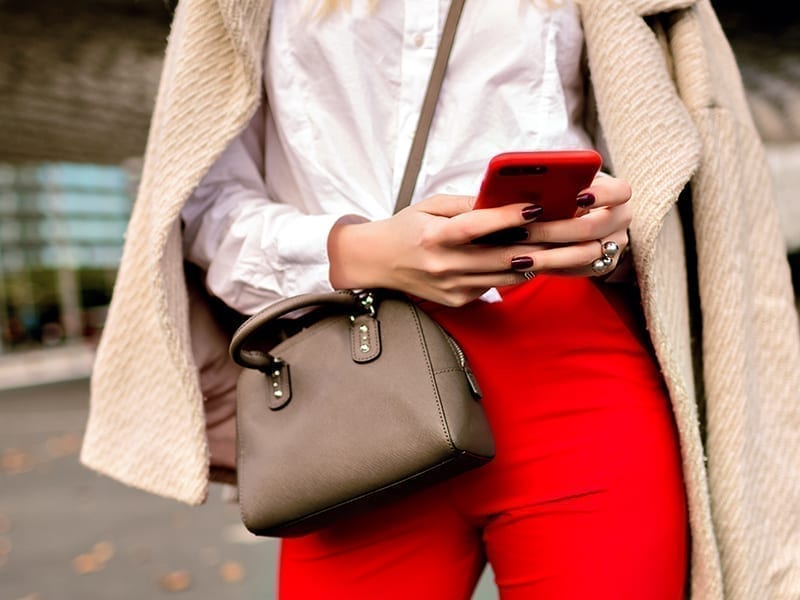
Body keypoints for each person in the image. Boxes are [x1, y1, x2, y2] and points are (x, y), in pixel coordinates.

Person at [80, 0, 800, 598]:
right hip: (356, 392)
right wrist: (359, 252)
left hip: (570, 365)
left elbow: (677, 175)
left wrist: (609, 235)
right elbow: (199, 204)